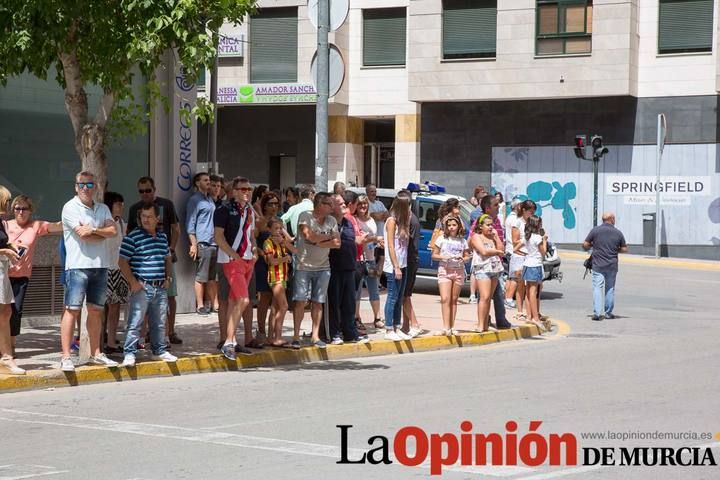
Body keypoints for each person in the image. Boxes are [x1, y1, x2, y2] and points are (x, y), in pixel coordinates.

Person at [59, 171, 119, 371]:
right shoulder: (70, 207)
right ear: (76, 187)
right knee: (72, 310)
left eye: (90, 184)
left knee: (95, 311)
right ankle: (66, 356)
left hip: (100, 266)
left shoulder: (102, 208)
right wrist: (100, 232)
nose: (86, 188)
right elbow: (82, 235)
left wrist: (93, 230)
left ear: (96, 187)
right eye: (82, 184)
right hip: (77, 266)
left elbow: (113, 231)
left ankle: (97, 353)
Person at [118, 203, 178, 367]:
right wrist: (133, 282)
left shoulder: (162, 237)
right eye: (143, 216)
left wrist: (168, 278)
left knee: (159, 322)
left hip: (160, 287)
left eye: (149, 216)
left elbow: (167, 259)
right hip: (142, 287)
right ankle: (129, 353)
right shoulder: (132, 237)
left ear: (157, 218)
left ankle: (159, 351)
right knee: (135, 322)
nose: (146, 220)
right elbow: (122, 261)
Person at [128, 176, 182, 345]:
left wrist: (171, 249)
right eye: (141, 191)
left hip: (164, 257)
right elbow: (129, 233)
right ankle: (143, 336)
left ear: (154, 189)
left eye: (148, 190)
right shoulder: (134, 209)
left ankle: (170, 332)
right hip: (143, 261)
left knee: (169, 296)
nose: (145, 194)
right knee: (143, 297)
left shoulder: (166, 204)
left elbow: (176, 229)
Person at [6, 195, 62, 356]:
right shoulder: (5, 225)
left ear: (30, 211)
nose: (21, 212)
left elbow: (57, 226)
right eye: (17, 208)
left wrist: (76, 219)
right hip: (4, 275)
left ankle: (11, 345)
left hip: (21, 276)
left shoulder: (35, 226)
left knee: (15, 311)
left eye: (24, 209)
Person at [214, 177, 258, 360]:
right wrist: (234, 255)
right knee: (243, 300)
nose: (246, 192)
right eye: (242, 189)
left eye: (249, 188)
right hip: (231, 260)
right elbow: (218, 237)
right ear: (234, 191)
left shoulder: (249, 210)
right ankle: (227, 342)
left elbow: (251, 234)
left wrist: (254, 251)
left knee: (235, 302)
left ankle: (231, 340)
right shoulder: (224, 210)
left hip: (247, 259)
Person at [291, 192, 339, 349]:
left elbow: (337, 243)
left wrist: (318, 241)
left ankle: (315, 335)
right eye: (329, 204)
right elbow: (308, 235)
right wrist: (326, 238)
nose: (332, 207)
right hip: (303, 266)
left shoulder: (332, 220)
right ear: (320, 204)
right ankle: (296, 336)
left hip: (324, 267)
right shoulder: (305, 216)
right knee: (300, 301)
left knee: (318, 302)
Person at [328, 193, 368, 344]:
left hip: (349, 267)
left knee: (349, 303)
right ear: (332, 207)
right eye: (340, 203)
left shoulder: (348, 223)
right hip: (334, 268)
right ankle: (334, 333)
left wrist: (368, 239)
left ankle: (350, 333)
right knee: (334, 303)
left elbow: (354, 240)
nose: (344, 204)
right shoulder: (330, 223)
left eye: (344, 202)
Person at [583, 212, 628, 321]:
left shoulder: (595, 230)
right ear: (611, 219)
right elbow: (624, 249)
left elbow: (585, 244)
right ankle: (608, 313)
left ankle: (597, 314)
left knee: (597, 288)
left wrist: (594, 246)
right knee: (610, 289)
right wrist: (615, 249)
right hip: (612, 265)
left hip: (598, 265)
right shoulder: (618, 233)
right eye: (614, 218)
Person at [478, 194, 513, 329]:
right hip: (484, 266)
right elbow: (474, 242)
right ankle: (484, 320)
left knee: (498, 293)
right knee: (485, 296)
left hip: (496, 264)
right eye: (495, 205)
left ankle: (500, 319)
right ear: (487, 208)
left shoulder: (497, 221)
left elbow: (500, 245)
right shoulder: (480, 223)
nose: (498, 208)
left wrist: (498, 248)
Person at [0, 186, 25, 374]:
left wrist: (9, 246)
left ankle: (6, 357)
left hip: (2, 269)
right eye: (7, 200)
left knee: (6, 311)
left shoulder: (1, 222)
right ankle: (6, 357)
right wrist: (5, 250)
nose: (9, 204)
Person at [432, 215, 470, 335]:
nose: (452, 227)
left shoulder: (463, 241)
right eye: (449, 225)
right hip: (445, 270)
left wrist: (463, 259)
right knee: (445, 299)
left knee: (454, 300)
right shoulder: (441, 239)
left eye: (454, 225)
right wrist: (444, 257)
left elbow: (467, 256)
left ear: (459, 226)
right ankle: (445, 327)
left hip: (458, 271)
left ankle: (451, 326)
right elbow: (434, 255)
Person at [186, 172, 217, 315]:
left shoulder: (210, 200)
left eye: (208, 180)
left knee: (212, 277)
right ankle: (200, 305)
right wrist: (193, 243)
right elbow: (190, 223)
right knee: (201, 276)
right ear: (198, 183)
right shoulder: (194, 200)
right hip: (203, 241)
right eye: (205, 180)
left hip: (214, 242)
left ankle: (214, 305)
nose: (208, 182)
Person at [262, 218, 296, 347]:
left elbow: (295, 251)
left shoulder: (282, 242)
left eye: (280, 228)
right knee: (284, 306)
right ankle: (278, 336)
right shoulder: (268, 243)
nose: (278, 231)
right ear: (270, 229)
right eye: (276, 228)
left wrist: (284, 245)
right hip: (276, 278)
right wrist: (285, 258)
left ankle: (271, 337)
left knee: (275, 308)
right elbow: (272, 261)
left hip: (283, 277)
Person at [383, 195, 412, 341]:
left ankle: (396, 326)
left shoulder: (403, 223)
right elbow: (390, 246)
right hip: (393, 266)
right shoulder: (391, 221)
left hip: (403, 263)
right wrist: (396, 266)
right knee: (392, 296)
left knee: (400, 297)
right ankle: (388, 328)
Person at [470, 214, 505, 332]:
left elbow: (502, 250)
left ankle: (485, 324)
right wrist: (496, 251)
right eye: (488, 225)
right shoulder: (476, 237)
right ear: (480, 226)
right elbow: (483, 251)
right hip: (482, 269)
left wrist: (496, 238)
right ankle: (480, 324)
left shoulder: (492, 237)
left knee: (489, 298)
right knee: (484, 297)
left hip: (494, 268)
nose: (491, 227)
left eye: (492, 225)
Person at [102, 191, 128, 354]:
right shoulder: (104, 222)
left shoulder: (120, 222)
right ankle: (101, 339)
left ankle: (111, 341)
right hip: (105, 267)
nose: (121, 207)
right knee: (102, 306)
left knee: (115, 305)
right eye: (118, 204)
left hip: (118, 268)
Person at [254, 192, 282, 344]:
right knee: (264, 299)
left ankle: (273, 333)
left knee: (277, 300)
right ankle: (261, 331)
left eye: (276, 203)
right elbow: (254, 242)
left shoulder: (279, 221)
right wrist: (261, 253)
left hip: (278, 264)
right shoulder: (260, 222)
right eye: (270, 203)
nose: (274, 206)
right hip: (264, 264)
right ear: (264, 205)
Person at [354, 194, 383, 329]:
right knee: (357, 291)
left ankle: (377, 317)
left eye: (365, 204)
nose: (363, 206)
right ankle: (356, 317)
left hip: (371, 258)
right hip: (358, 260)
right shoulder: (354, 220)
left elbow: (373, 240)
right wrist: (375, 239)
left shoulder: (371, 220)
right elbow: (360, 239)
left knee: (374, 289)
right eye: (360, 204)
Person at [400, 189, 423, 338]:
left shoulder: (410, 220)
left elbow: (406, 243)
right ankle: (405, 324)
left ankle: (415, 324)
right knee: (405, 294)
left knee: (404, 295)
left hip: (408, 261)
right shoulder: (409, 218)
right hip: (409, 260)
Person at [510, 200, 536, 322]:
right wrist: (525, 241)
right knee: (520, 285)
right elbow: (515, 241)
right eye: (530, 211)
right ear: (524, 210)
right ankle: (520, 311)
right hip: (520, 256)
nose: (532, 214)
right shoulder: (517, 223)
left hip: (531, 256)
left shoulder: (532, 222)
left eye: (533, 212)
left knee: (530, 285)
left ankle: (531, 311)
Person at [522, 215, 547, 330]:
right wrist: (545, 240)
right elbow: (543, 252)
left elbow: (518, 247)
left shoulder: (527, 236)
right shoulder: (537, 238)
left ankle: (529, 315)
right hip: (535, 265)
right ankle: (535, 317)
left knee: (528, 292)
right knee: (533, 292)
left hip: (527, 264)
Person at [365, 184, 388, 281]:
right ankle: (369, 280)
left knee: (382, 259)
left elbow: (387, 215)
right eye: (371, 191)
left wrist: (379, 215)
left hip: (381, 237)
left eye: (375, 191)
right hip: (372, 239)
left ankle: (377, 280)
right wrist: (379, 215)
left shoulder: (380, 203)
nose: (374, 193)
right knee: (373, 260)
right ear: (367, 193)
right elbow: (375, 216)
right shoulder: (366, 204)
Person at [503, 197, 522, 309]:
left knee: (511, 276)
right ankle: (509, 299)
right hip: (514, 250)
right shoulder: (514, 219)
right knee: (514, 277)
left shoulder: (510, 218)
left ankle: (507, 298)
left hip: (510, 250)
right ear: (516, 207)